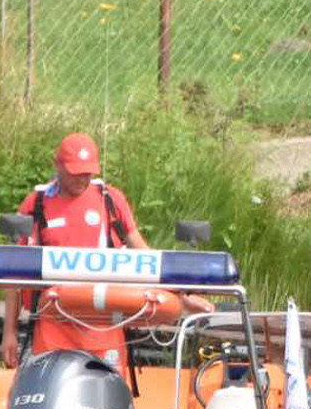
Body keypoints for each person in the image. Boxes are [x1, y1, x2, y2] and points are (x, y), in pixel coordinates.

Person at [14, 132, 208, 370]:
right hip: (52, 326)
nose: (82, 179)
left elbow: (145, 257)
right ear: (58, 166)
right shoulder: (36, 205)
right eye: (75, 173)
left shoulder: (111, 201)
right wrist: (8, 335)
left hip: (105, 327)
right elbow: (13, 274)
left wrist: (183, 297)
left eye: (87, 173)